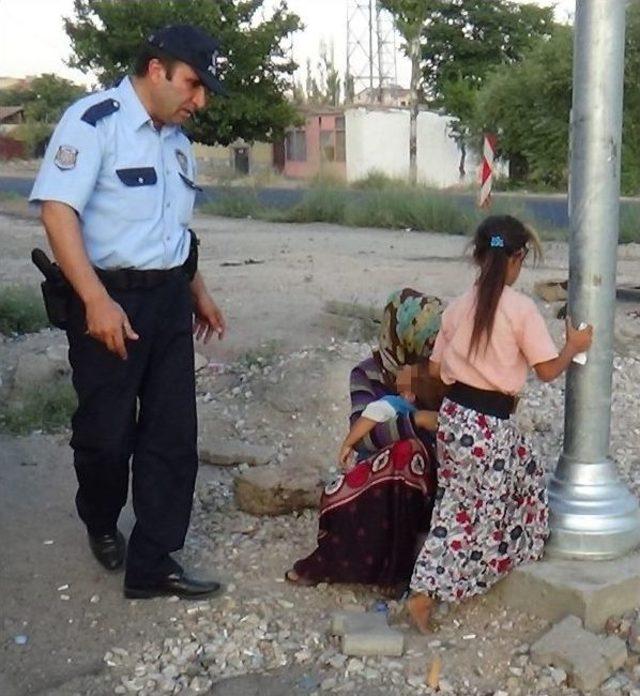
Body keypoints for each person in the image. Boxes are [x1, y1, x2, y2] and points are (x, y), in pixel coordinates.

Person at [29, 25, 228, 599]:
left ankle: (153, 562)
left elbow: (174, 234)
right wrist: (94, 299)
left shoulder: (178, 145)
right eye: (193, 85)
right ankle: (99, 517)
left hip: (166, 299)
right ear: (157, 69)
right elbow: (58, 213)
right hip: (107, 298)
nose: (200, 101)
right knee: (105, 436)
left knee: (171, 435)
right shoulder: (95, 122)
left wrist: (199, 291)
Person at [407, 215, 593, 632]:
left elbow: (436, 370)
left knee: (456, 505)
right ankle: (447, 584)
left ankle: (423, 587)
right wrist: (573, 347)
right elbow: (546, 371)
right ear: (518, 258)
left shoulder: (458, 305)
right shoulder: (521, 310)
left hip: (454, 419)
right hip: (489, 426)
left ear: (478, 256)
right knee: (503, 507)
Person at [286, 288, 445, 592]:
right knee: (404, 454)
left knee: (414, 455)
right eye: (428, 342)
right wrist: (417, 420)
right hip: (383, 484)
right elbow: (365, 439)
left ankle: (404, 566)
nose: (435, 349)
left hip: (432, 484)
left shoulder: (439, 372)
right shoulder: (367, 373)